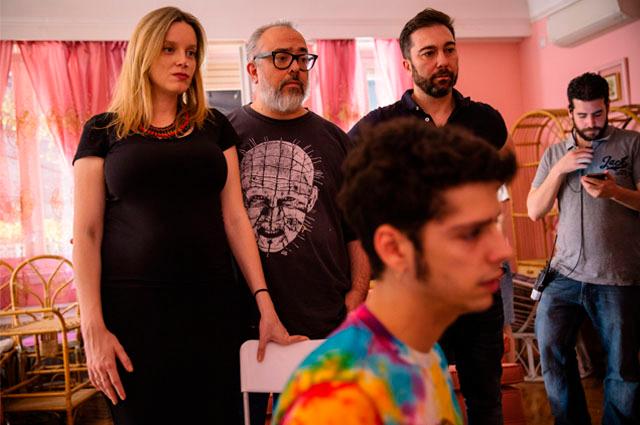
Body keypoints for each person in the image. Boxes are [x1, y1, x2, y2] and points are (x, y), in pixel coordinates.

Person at [72, 7, 301, 424]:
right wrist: (92, 327)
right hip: (132, 316)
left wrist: (265, 305)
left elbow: (235, 219)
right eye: (169, 49)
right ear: (143, 54)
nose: (183, 61)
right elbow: (86, 233)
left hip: (213, 309)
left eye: (192, 52)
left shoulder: (214, 126)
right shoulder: (102, 131)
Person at [272, 118, 516, 425]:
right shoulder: (335, 400)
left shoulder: (424, 352)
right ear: (394, 249)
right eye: (470, 233)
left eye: (494, 224)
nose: (503, 251)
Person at [349, 8, 509, 424]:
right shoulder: (380, 126)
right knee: (416, 406)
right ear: (406, 64)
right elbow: (349, 191)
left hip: (478, 290)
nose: (442, 61)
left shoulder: (486, 121)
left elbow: (496, 195)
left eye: (449, 50)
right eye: (429, 53)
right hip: (414, 293)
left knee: (486, 402)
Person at [227, 21, 370, 423]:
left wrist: (357, 295)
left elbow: (356, 229)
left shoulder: (336, 140)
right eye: (281, 58)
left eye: (302, 58)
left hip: (324, 321)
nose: (295, 67)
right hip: (244, 323)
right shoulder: (225, 136)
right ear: (253, 69)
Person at [527, 72, 640, 424]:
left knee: (622, 367)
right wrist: (559, 169)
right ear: (570, 113)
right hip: (563, 276)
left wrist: (614, 192)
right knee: (552, 354)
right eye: (583, 115)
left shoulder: (632, 144)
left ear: (607, 107)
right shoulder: (554, 154)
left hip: (617, 277)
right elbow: (534, 210)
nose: (591, 123)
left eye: (598, 114)